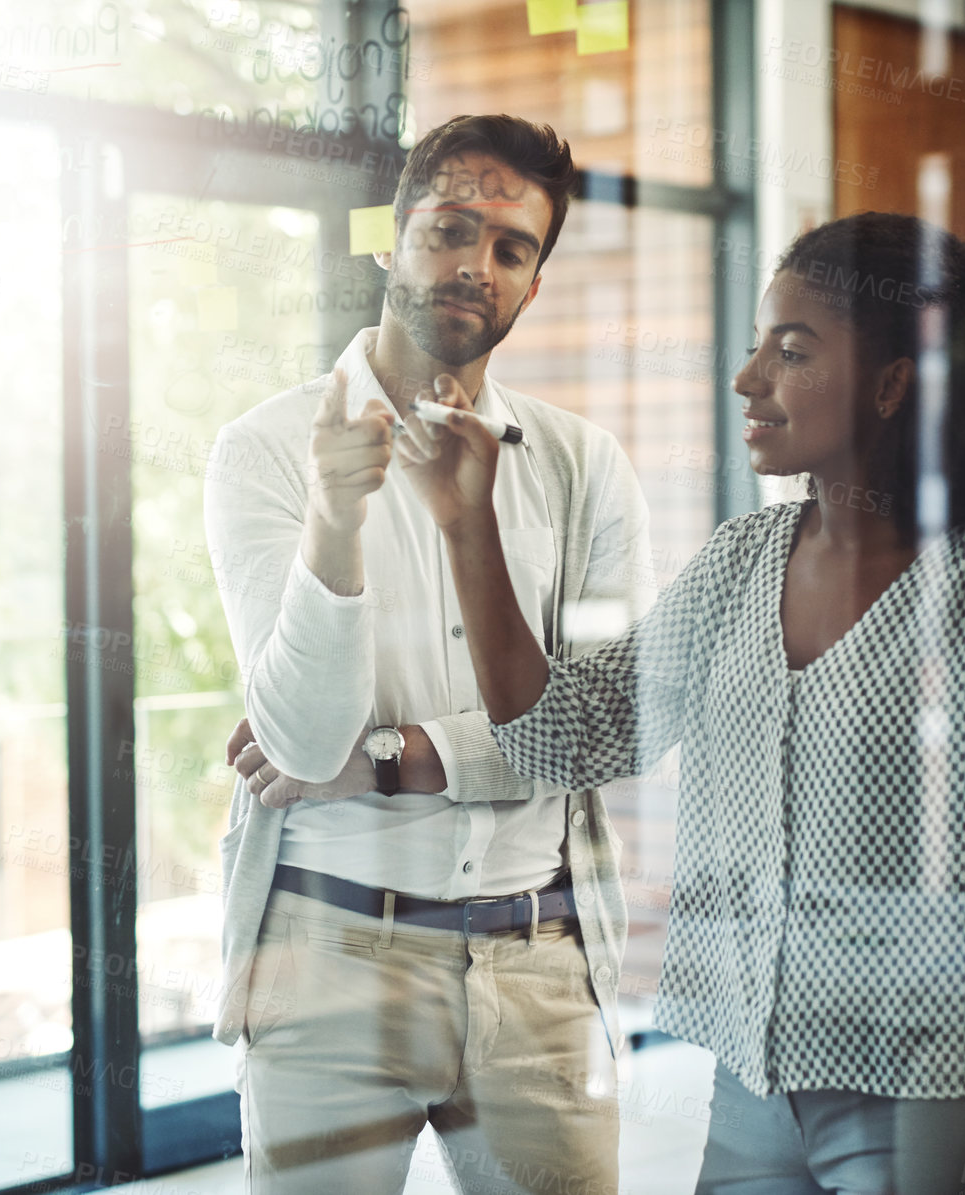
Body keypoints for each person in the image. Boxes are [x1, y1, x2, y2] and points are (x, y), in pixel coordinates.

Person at [388, 211, 965, 1194]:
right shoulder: (740, 563)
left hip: (925, 1072)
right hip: (751, 1068)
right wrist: (469, 530)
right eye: (757, 347)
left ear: (892, 382)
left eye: (790, 352)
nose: (748, 379)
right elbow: (564, 733)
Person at [205, 114, 652, 1194]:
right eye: (450, 229)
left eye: (511, 248)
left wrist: (396, 756)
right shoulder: (266, 450)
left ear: (533, 282)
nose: (475, 264)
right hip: (326, 958)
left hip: (539, 967)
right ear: (392, 236)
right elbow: (303, 736)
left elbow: (604, 727)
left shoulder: (583, 467)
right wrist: (333, 523)